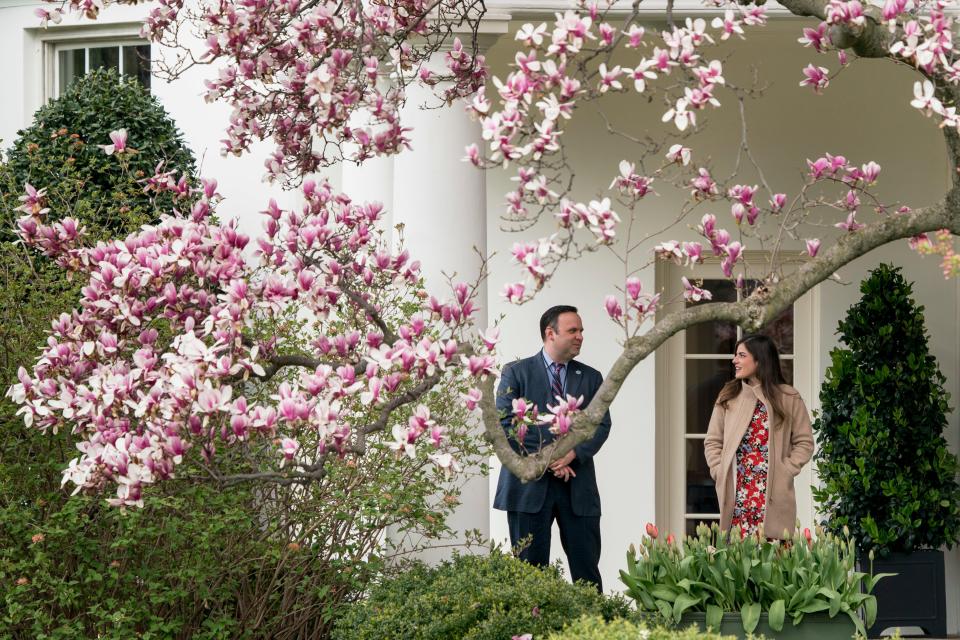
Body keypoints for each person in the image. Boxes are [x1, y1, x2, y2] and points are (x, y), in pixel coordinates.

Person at [493, 305, 611, 591]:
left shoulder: (592, 377)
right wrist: (551, 457)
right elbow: (507, 423)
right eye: (573, 330)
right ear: (550, 333)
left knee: (587, 575)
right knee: (529, 577)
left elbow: (601, 425)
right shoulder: (515, 373)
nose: (580, 336)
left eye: (581, 330)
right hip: (528, 488)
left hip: (577, 484)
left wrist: (573, 454)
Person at [703, 334, 814, 539]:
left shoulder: (788, 397)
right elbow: (712, 440)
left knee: (775, 562)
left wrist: (786, 470)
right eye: (735, 355)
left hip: (773, 494)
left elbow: (804, 441)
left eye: (741, 355)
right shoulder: (728, 396)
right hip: (738, 495)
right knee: (736, 563)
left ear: (760, 359)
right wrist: (719, 470)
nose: (734, 360)